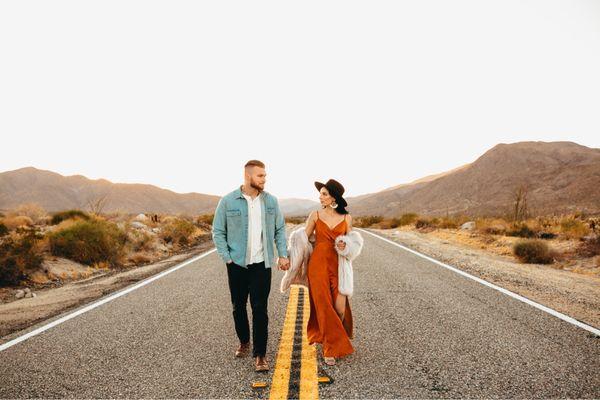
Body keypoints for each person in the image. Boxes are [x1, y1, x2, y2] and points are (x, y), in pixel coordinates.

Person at [212, 160, 290, 372]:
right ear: (248, 177)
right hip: (236, 264)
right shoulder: (228, 201)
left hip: (261, 264)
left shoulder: (271, 201)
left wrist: (282, 254)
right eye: (260, 176)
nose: (264, 179)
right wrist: (227, 257)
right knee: (238, 307)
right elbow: (218, 231)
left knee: (260, 309)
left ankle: (260, 355)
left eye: (265, 175)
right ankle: (244, 341)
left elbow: (280, 230)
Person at [304, 178, 354, 366]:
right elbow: (303, 239)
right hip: (317, 265)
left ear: (334, 197)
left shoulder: (347, 218)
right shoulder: (315, 215)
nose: (320, 196)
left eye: (324, 194)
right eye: (321, 193)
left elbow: (352, 243)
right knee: (324, 306)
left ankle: (333, 336)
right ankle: (330, 346)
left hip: (339, 264)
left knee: (340, 307)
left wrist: (345, 245)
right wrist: (290, 257)